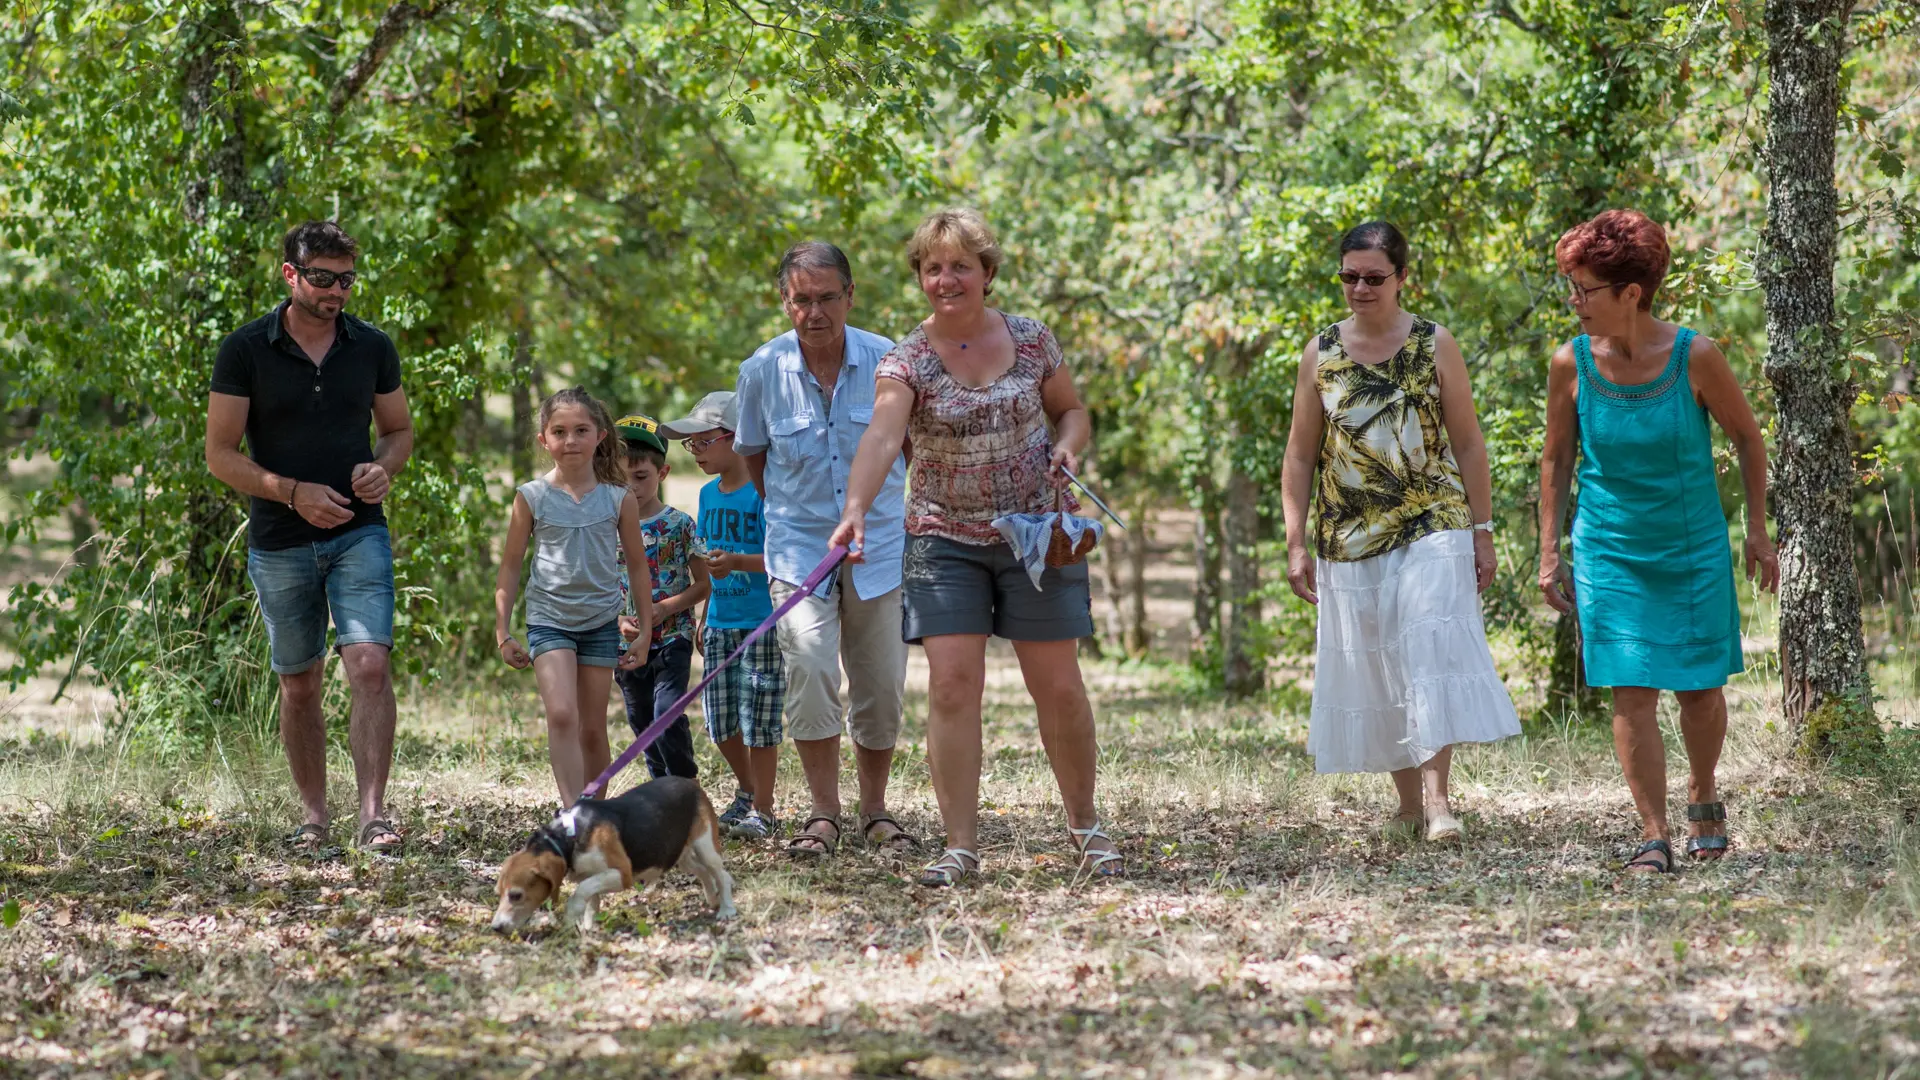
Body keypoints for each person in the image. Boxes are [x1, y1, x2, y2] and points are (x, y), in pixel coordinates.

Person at [832, 207, 1121, 887]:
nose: (945, 278)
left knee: (1059, 687)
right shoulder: (905, 359)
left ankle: (1085, 825)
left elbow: (1072, 411)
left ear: (987, 273)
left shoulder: (1032, 338)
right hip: (943, 540)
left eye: (960, 265)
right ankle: (960, 845)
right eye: (932, 267)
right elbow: (880, 437)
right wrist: (855, 509)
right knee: (954, 688)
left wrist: (1068, 449)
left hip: (1035, 537)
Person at [1538, 209, 1778, 874]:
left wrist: (1758, 532)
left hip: (1691, 547)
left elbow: (1748, 438)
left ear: (1631, 294)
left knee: (1699, 689)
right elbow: (1556, 460)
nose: (1574, 302)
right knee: (1630, 689)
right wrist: (1550, 549)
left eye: (1584, 290)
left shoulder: (1694, 356)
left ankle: (1703, 791)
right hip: (1609, 547)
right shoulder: (1571, 363)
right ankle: (1654, 832)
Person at [1279, 221, 1521, 842]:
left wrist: (1483, 530)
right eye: (1349, 276)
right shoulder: (1321, 353)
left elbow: (1467, 442)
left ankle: (1440, 805)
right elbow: (1301, 455)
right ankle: (1408, 805)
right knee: (1380, 661)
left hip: (1433, 518)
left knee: (1427, 648)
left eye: (1374, 277)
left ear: (1402, 277)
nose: (1360, 288)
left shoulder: (1434, 343)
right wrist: (1295, 540)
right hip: (1350, 531)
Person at [206, 220, 413, 855]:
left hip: (360, 533)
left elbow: (400, 431)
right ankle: (314, 817)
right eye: (322, 278)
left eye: (347, 279)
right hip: (279, 538)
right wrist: (292, 491)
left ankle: (373, 818)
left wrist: (383, 467)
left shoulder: (371, 346)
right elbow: (219, 455)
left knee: (370, 666)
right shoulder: (244, 349)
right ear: (291, 274)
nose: (336, 292)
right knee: (299, 681)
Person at [733, 241, 915, 860]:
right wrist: (798, 514)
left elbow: (910, 450)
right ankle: (823, 814)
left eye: (826, 298)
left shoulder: (890, 360)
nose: (814, 312)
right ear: (784, 302)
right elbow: (755, 458)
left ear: (850, 295)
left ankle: (875, 810)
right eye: (800, 300)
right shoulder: (761, 369)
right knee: (810, 670)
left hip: (882, 545)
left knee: (882, 681)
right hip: (799, 548)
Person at [494, 388, 651, 806]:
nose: (571, 441)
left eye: (581, 430)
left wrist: (645, 630)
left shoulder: (619, 499)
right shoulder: (532, 497)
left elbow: (637, 566)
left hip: (600, 621)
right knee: (562, 714)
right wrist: (502, 630)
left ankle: (598, 812)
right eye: (559, 432)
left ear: (600, 435)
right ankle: (574, 814)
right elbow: (510, 565)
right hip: (549, 618)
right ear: (544, 440)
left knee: (593, 729)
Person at [665, 391, 786, 841]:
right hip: (719, 620)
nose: (694, 451)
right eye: (690, 444)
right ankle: (749, 792)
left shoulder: (764, 491)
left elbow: (780, 556)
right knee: (720, 721)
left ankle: (765, 808)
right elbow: (704, 561)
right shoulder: (706, 494)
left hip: (761, 620)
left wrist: (738, 561)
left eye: (701, 441)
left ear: (738, 438)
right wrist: (702, 615)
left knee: (760, 717)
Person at [611, 413, 709, 782]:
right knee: (640, 719)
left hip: (673, 638)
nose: (631, 487)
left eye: (641, 477)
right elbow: (601, 584)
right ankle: (659, 786)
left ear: (662, 473)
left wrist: (663, 609)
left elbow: (703, 584)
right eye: (621, 478)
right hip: (628, 642)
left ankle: (685, 785)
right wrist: (618, 619)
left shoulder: (680, 524)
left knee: (666, 714)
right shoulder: (606, 527)